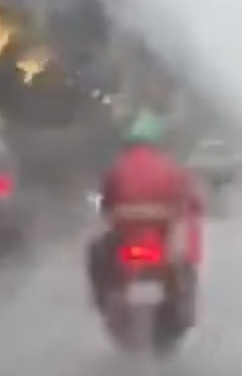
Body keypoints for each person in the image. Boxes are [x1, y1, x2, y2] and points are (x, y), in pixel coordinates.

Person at [88, 110, 205, 328]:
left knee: (97, 253)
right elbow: (189, 200)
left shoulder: (118, 167)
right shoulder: (171, 167)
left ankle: (102, 302)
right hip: (159, 242)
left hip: (127, 241)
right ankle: (186, 309)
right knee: (185, 267)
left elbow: (106, 201)